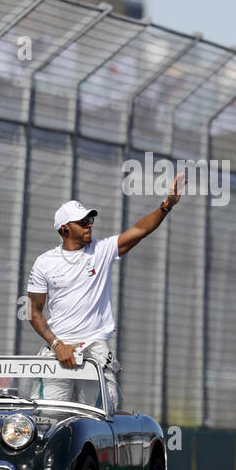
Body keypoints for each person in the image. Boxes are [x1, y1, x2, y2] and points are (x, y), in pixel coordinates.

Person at [25, 174, 185, 409]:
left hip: (95, 348)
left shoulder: (102, 250)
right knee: (48, 414)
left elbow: (140, 230)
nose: (89, 224)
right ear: (65, 229)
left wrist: (166, 206)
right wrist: (57, 344)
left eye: (90, 219)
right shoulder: (44, 262)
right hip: (59, 349)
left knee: (101, 414)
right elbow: (33, 310)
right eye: (83, 221)